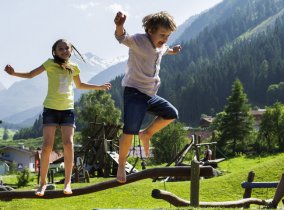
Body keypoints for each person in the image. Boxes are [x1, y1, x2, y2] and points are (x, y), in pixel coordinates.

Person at [4, 39, 111, 196]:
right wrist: (14, 73)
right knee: (47, 146)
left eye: (66, 48)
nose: (64, 50)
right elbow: (30, 74)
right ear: (54, 52)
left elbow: (80, 85)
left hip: (67, 110)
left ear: (70, 50)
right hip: (51, 109)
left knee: (69, 144)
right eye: (60, 48)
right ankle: (43, 183)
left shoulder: (74, 67)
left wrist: (99, 87)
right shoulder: (49, 63)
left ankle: (67, 183)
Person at [114, 11, 181, 183]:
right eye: (162, 35)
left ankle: (147, 134)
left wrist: (173, 51)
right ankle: (121, 164)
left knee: (171, 113)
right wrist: (119, 25)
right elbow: (122, 37)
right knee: (129, 131)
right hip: (134, 92)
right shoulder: (139, 41)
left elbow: (165, 50)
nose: (165, 39)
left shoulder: (161, 46)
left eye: (168, 36)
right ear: (150, 30)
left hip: (150, 95)